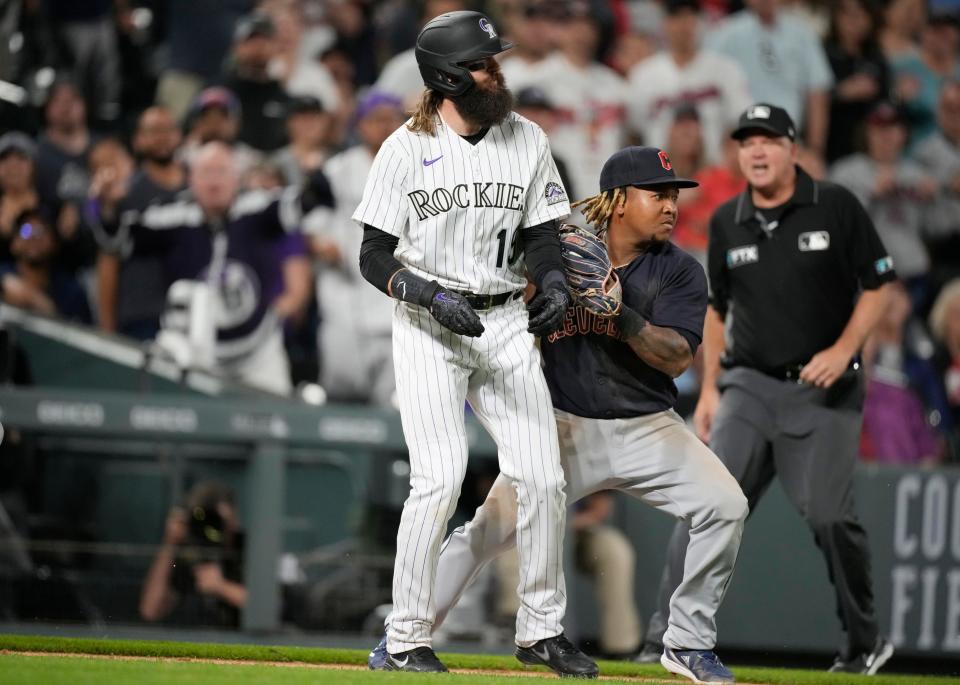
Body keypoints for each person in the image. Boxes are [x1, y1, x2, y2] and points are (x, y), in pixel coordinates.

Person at [367, 145, 747, 685]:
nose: (670, 206)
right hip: (563, 428)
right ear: (618, 201)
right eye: (656, 194)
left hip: (649, 426)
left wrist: (622, 316)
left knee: (726, 506)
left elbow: (678, 356)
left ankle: (687, 643)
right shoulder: (558, 255)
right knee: (485, 533)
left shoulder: (681, 271)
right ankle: (403, 634)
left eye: (673, 196)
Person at [353, 10, 595, 677]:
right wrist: (427, 295)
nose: (498, 71)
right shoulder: (404, 147)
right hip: (431, 325)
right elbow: (373, 255)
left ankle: (541, 630)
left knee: (544, 477)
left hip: (504, 320)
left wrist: (550, 282)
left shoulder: (528, 138)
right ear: (449, 76)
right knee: (438, 478)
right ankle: (405, 637)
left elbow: (545, 233)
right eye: (486, 63)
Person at [639, 103, 897, 675]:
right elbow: (715, 308)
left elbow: (879, 283)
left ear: (793, 149)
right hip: (749, 387)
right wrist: (709, 391)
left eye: (769, 140)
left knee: (830, 516)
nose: (756, 151)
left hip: (822, 389)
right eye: (746, 142)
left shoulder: (835, 205)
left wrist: (842, 349)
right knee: (705, 504)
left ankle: (863, 642)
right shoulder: (729, 220)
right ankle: (662, 638)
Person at [107, 142, 326, 394]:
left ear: (236, 177)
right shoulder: (173, 217)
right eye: (206, 173)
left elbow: (305, 202)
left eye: (221, 172)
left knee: (275, 420)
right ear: (191, 179)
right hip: (192, 350)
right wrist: (107, 207)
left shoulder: (258, 208)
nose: (214, 182)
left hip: (258, 351)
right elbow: (116, 237)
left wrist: (314, 175)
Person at [92, 106, 187, 340]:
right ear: (138, 140)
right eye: (153, 131)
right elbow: (108, 260)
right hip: (142, 315)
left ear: (179, 135)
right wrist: (107, 330)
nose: (162, 137)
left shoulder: (200, 186)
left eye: (168, 129)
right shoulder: (124, 194)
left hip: (193, 312)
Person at [626, 0, 751, 166]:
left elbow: (741, 121)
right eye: (676, 17)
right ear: (664, 23)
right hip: (660, 177)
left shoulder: (725, 70)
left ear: (700, 22)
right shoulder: (643, 75)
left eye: (690, 16)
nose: (683, 25)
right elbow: (634, 131)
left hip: (713, 173)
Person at [139, 481, 246, 627]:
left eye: (217, 519)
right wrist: (170, 544)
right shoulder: (189, 552)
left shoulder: (250, 549)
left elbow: (272, 608)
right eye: (206, 519)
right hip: (197, 639)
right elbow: (151, 610)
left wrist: (221, 587)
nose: (212, 527)